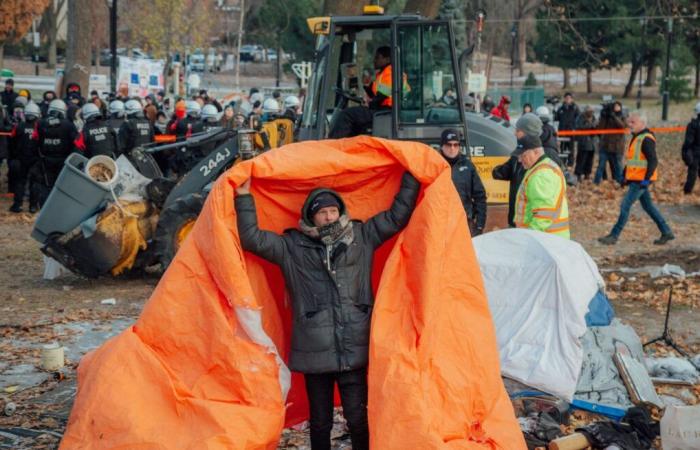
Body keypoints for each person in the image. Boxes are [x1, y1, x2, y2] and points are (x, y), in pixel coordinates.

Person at [234, 171, 420, 450]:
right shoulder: (292, 247)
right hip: (314, 351)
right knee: (320, 421)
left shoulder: (361, 236)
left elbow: (397, 216)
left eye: (334, 210)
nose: (330, 217)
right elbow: (251, 238)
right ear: (312, 217)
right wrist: (243, 196)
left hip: (353, 347)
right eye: (323, 213)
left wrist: (413, 177)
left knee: (358, 418)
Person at [598, 111, 674, 245]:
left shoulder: (646, 139)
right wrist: (625, 177)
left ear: (642, 124)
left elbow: (653, 161)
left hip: (641, 181)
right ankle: (666, 231)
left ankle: (614, 235)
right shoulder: (637, 137)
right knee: (648, 207)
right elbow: (633, 161)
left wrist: (646, 179)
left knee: (625, 205)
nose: (629, 124)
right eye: (629, 121)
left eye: (633, 122)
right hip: (637, 179)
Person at [493, 113, 564, 227]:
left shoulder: (546, 155)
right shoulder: (523, 149)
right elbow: (511, 168)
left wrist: (531, 232)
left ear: (528, 132)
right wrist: (497, 171)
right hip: (519, 220)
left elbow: (545, 208)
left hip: (534, 226)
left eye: (518, 130)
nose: (515, 133)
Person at [328, 46, 398, 138]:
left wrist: (369, 103)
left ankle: (333, 146)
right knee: (356, 118)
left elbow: (381, 96)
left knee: (346, 115)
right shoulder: (383, 73)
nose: (374, 60)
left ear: (387, 59)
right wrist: (367, 85)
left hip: (386, 111)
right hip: (383, 110)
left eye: (377, 57)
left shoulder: (390, 72)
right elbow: (375, 95)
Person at [511, 134, 570, 238]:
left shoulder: (541, 175)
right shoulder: (544, 167)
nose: (520, 160)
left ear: (536, 152)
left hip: (545, 239)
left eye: (523, 155)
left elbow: (543, 215)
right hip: (549, 237)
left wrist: (530, 238)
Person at [440, 129, 487, 235]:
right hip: (439, 222)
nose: (452, 148)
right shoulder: (435, 164)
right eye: (448, 145)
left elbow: (480, 195)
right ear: (442, 146)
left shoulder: (468, 166)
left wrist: (480, 224)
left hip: (463, 222)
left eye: (455, 145)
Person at [32, 99, 78, 205]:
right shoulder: (68, 124)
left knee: (46, 184)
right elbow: (75, 142)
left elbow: (35, 140)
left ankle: (44, 206)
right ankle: (58, 206)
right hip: (63, 160)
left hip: (45, 159)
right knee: (61, 184)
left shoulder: (41, 123)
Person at [7, 102, 41, 213]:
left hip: (21, 158)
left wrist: (14, 155)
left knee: (20, 182)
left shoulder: (19, 126)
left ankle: (17, 205)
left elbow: (11, 141)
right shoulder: (39, 126)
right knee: (34, 182)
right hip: (35, 159)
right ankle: (33, 206)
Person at [594, 101, 625, 185]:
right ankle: (596, 182)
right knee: (601, 165)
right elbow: (599, 129)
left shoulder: (622, 116)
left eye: (617, 106)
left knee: (618, 166)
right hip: (605, 146)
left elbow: (622, 126)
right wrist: (603, 116)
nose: (616, 108)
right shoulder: (607, 117)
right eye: (614, 106)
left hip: (617, 146)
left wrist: (613, 116)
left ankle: (620, 181)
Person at [555, 92, 580, 166]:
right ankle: (563, 163)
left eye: (569, 98)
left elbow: (578, 119)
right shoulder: (561, 108)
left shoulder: (575, 108)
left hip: (571, 132)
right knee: (562, 148)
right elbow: (557, 119)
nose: (568, 100)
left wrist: (574, 128)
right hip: (562, 131)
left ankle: (570, 163)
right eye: (566, 98)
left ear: (572, 99)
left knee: (571, 149)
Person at [574, 106, 598, 181]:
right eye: (589, 111)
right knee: (581, 160)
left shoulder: (594, 118)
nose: (591, 112)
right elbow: (579, 126)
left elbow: (596, 126)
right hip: (583, 142)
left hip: (592, 143)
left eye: (592, 111)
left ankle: (587, 174)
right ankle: (578, 174)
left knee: (589, 160)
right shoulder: (580, 118)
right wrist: (590, 125)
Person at [681, 102, 700, 194]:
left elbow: (688, 141)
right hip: (696, 152)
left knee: (692, 173)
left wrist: (685, 152)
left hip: (695, 152)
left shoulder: (693, 125)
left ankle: (687, 191)